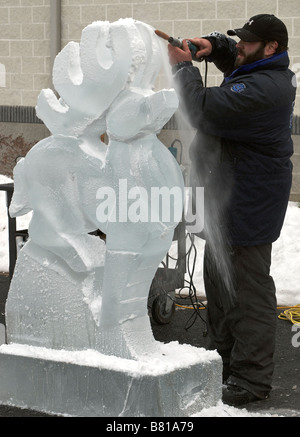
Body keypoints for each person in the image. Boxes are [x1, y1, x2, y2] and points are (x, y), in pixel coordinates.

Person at [168, 14, 296, 406]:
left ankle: (251, 381)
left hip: (247, 208)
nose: (239, 45)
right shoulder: (262, 71)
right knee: (222, 293)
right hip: (229, 205)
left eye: (246, 41)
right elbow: (240, 68)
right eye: (238, 40)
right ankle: (224, 365)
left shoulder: (268, 89)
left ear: (271, 46)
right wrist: (215, 45)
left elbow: (205, 108)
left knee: (248, 299)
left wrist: (183, 68)